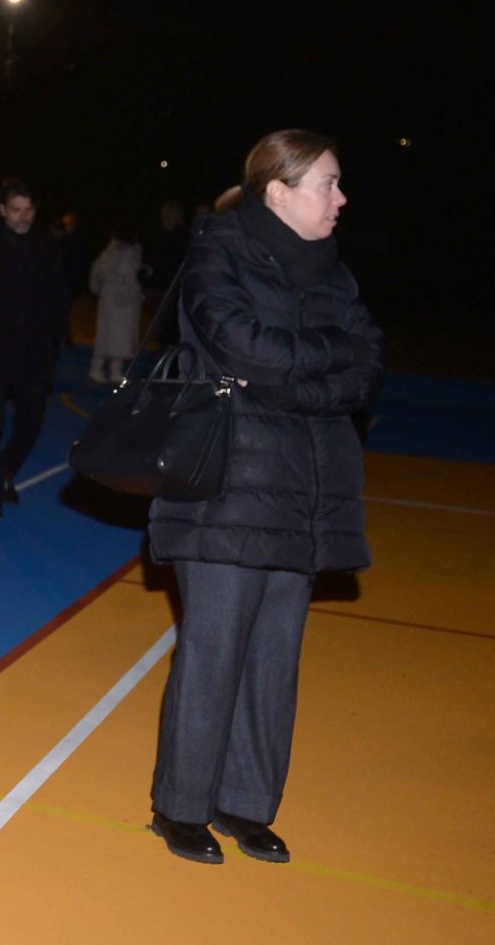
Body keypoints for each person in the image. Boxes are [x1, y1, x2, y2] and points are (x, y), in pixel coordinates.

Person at [147, 130, 381, 865]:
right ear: (279, 191)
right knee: (213, 652)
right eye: (328, 184)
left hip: (305, 490)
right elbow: (241, 347)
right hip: (228, 485)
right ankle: (181, 807)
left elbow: (368, 365)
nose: (341, 199)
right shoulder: (218, 253)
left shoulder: (335, 274)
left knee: (275, 659)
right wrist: (323, 362)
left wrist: (292, 380)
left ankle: (246, 804)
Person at [0, 179, 68, 519]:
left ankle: (3, 471)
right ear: (3, 210)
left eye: (29, 210)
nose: (23, 217)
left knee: (31, 423)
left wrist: (52, 335)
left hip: (34, 355)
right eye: (17, 210)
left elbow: (59, 294)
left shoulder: (47, 246)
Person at [89, 222, 148, 382]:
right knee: (108, 334)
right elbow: (105, 272)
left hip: (127, 299)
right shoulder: (113, 251)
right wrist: (129, 278)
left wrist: (139, 275)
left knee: (122, 336)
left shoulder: (134, 250)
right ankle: (97, 368)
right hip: (114, 298)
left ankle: (115, 369)